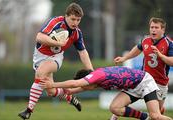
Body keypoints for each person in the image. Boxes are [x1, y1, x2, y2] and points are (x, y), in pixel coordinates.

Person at [18, 2, 93, 120]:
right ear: (66, 16)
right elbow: (39, 37)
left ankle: (28, 110)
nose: (75, 23)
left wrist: (91, 72)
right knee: (51, 92)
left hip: (55, 58)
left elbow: (83, 52)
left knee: (40, 73)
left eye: (78, 20)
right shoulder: (55, 22)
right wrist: (58, 43)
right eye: (73, 19)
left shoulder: (77, 33)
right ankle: (69, 97)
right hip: (39, 56)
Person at [40, 66, 172, 120]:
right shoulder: (95, 80)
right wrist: (55, 92)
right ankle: (145, 117)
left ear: (88, 79)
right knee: (114, 108)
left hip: (144, 81)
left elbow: (75, 84)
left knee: (156, 116)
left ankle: (150, 117)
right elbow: (76, 89)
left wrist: (53, 84)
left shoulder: (96, 76)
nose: (85, 87)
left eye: (86, 84)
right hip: (133, 87)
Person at [114, 17, 173, 114]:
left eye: (156, 27)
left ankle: (159, 110)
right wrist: (124, 58)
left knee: (157, 113)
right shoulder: (146, 39)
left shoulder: (169, 44)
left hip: (159, 83)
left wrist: (161, 55)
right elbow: (137, 49)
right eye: (151, 27)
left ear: (163, 29)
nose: (153, 30)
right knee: (123, 99)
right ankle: (114, 116)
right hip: (143, 78)